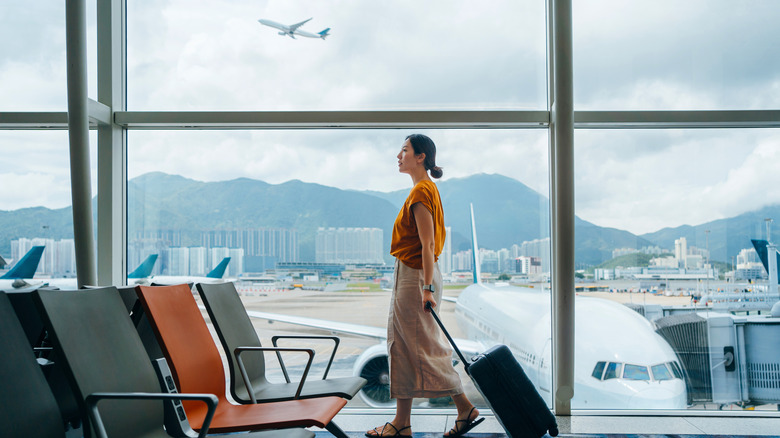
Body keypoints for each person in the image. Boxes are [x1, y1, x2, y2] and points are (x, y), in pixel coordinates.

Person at [366, 134, 483, 438]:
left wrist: (426, 287)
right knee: (402, 346)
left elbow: (428, 244)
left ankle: (463, 408)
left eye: (404, 150)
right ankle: (402, 421)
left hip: (417, 275)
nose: (398, 155)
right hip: (413, 274)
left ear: (420, 157)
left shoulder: (421, 192)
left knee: (423, 346)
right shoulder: (425, 189)